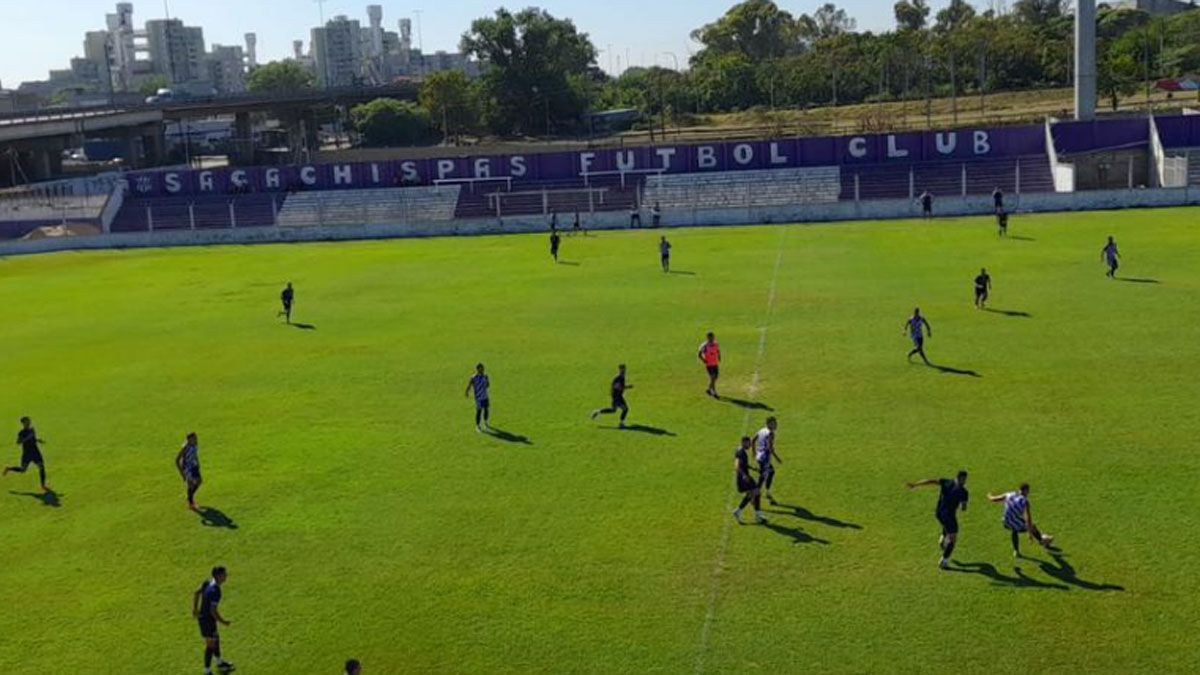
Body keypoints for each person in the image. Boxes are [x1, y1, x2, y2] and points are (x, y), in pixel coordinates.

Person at [907, 471, 969, 570]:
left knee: (947, 526)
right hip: (949, 516)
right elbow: (963, 508)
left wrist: (915, 485)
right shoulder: (964, 492)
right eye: (964, 479)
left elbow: (931, 481)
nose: (965, 481)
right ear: (959, 478)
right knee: (953, 539)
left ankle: (943, 539)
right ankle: (944, 561)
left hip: (939, 513)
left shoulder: (946, 482)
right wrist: (963, 505)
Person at [987, 483, 1054, 558]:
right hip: (1014, 522)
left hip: (1005, 522)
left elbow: (995, 499)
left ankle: (1016, 551)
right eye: (1028, 491)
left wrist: (989, 496)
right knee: (1032, 526)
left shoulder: (1010, 494)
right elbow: (1028, 519)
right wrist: (1030, 534)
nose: (1028, 493)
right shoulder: (1025, 502)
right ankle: (1042, 541)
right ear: (1025, 491)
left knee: (1014, 528)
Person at [193, 566, 235, 674]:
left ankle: (220, 663)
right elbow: (213, 611)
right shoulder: (216, 591)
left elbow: (196, 593)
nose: (226, 576)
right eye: (224, 575)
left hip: (205, 619)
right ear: (218, 576)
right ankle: (207, 671)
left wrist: (195, 609)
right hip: (207, 621)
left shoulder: (207, 582)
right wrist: (223, 622)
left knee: (216, 639)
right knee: (210, 645)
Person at [4, 416, 49, 492]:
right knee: (23, 470)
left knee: (41, 466)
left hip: (35, 451)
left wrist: (38, 440)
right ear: (23, 423)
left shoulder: (32, 430)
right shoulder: (21, 433)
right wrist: (27, 437)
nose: (29, 423)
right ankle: (8, 468)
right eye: (27, 421)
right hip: (27, 453)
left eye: (29, 421)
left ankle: (43, 485)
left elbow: (33, 438)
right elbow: (18, 442)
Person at [732, 436, 766, 524]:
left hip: (745, 476)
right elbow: (736, 465)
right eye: (748, 443)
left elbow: (743, 464)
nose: (750, 445)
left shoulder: (741, 451)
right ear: (743, 442)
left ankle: (738, 512)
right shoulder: (740, 452)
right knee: (756, 492)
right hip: (744, 478)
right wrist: (743, 475)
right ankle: (758, 515)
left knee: (752, 494)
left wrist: (754, 469)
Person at [591, 364, 632, 429]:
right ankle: (621, 423)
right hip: (617, 397)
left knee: (613, 410)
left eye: (624, 369)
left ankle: (598, 411)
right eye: (623, 369)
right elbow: (618, 387)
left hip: (617, 396)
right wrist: (627, 387)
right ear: (620, 369)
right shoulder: (619, 378)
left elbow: (616, 387)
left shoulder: (621, 377)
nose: (624, 371)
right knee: (625, 409)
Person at [754, 417, 782, 504]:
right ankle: (755, 496)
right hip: (765, 458)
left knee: (770, 472)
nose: (776, 425)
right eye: (774, 423)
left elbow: (753, 440)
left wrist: (754, 453)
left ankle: (767, 493)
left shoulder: (762, 430)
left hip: (760, 456)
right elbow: (770, 448)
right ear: (769, 424)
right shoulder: (770, 434)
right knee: (762, 477)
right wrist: (777, 458)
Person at [175, 432, 203, 511]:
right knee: (190, 485)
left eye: (196, 438)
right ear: (189, 439)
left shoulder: (195, 445)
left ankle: (190, 497)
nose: (195, 440)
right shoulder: (185, 448)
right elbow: (177, 460)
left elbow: (195, 454)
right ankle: (191, 503)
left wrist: (198, 462)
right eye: (194, 438)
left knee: (199, 481)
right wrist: (182, 473)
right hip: (187, 468)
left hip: (194, 466)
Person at [465, 363, 491, 432]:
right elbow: (469, 385)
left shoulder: (485, 376)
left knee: (486, 410)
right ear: (478, 369)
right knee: (479, 411)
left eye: (483, 368)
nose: (483, 370)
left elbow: (488, 385)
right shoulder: (473, 377)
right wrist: (467, 392)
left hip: (485, 396)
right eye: (481, 369)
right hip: (478, 398)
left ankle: (485, 423)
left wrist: (486, 383)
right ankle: (478, 426)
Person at [697, 332, 721, 398]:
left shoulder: (716, 344)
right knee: (712, 377)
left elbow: (718, 351)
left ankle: (708, 389)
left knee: (715, 377)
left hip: (715, 363)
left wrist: (719, 357)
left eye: (713, 337)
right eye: (710, 337)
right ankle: (714, 392)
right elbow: (699, 354)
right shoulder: (704, 345)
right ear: (708, 338)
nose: (712, 339)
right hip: (709, 364)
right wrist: (703, 360)